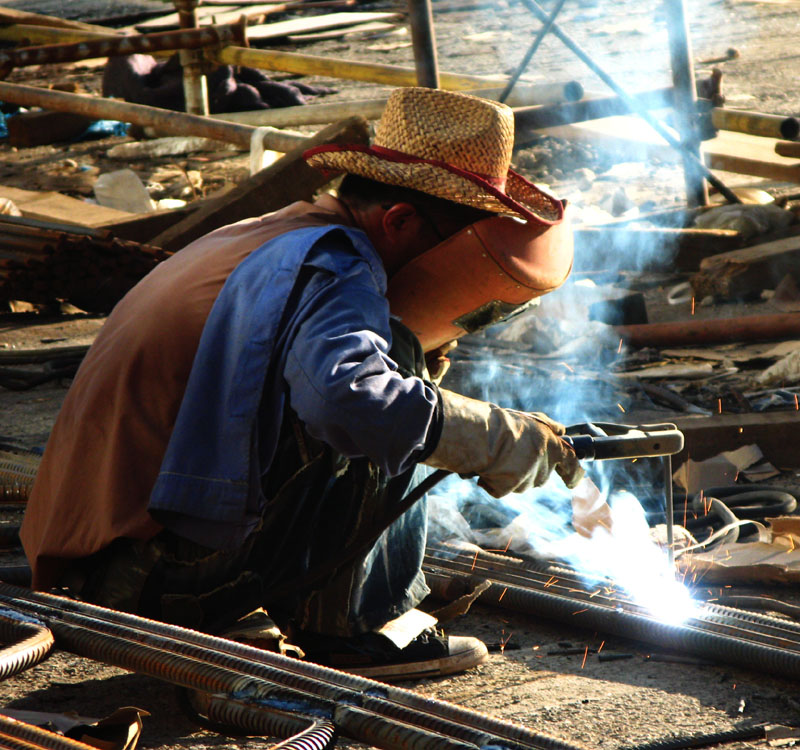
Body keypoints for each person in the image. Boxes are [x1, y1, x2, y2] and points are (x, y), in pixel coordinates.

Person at [20, 87, 583, 681]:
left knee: (394, 370)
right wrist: (498, 438)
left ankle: (290, 608)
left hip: (104, 566)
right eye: (453, 250)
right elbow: (353, 402)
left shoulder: (281, 234)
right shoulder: (338, 264)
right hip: (149, 581)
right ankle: (358, 630)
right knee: (390, 375)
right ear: (399, 220)